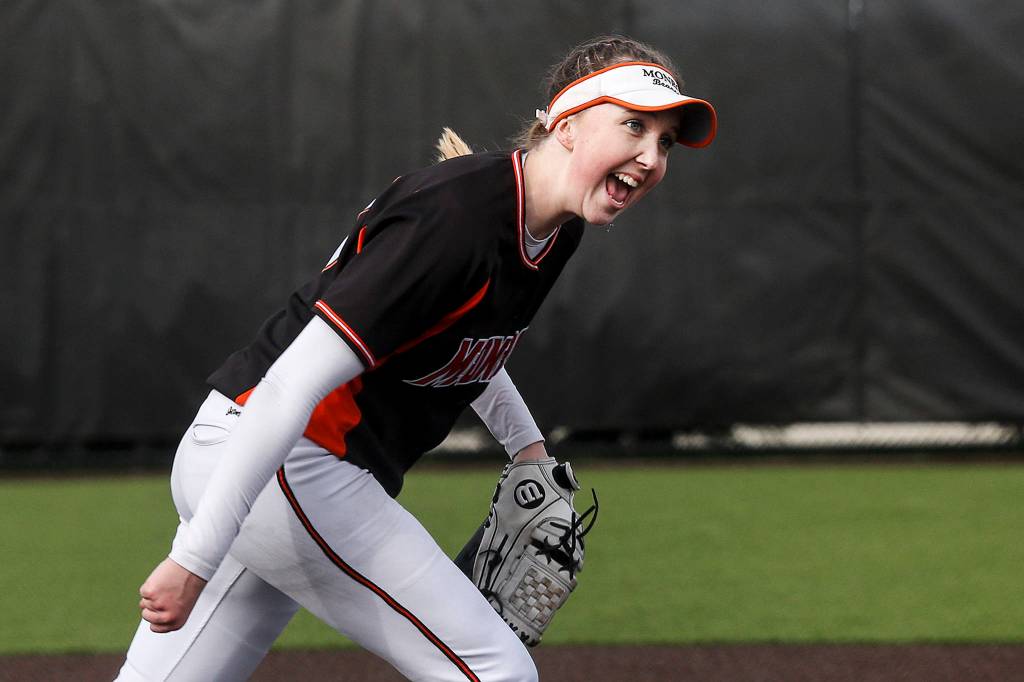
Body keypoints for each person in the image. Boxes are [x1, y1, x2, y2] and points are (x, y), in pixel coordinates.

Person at [116, 34, 716, 682]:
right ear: (567, 125)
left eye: (665, 142)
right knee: (497, 672)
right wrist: (194, 558)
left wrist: (530, 452)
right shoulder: (457, 217)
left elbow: (464, 346)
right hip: (284, 460)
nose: (651, 156)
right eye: (633, 125)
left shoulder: (551, 227)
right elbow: (290, 384)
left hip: (252, 462)